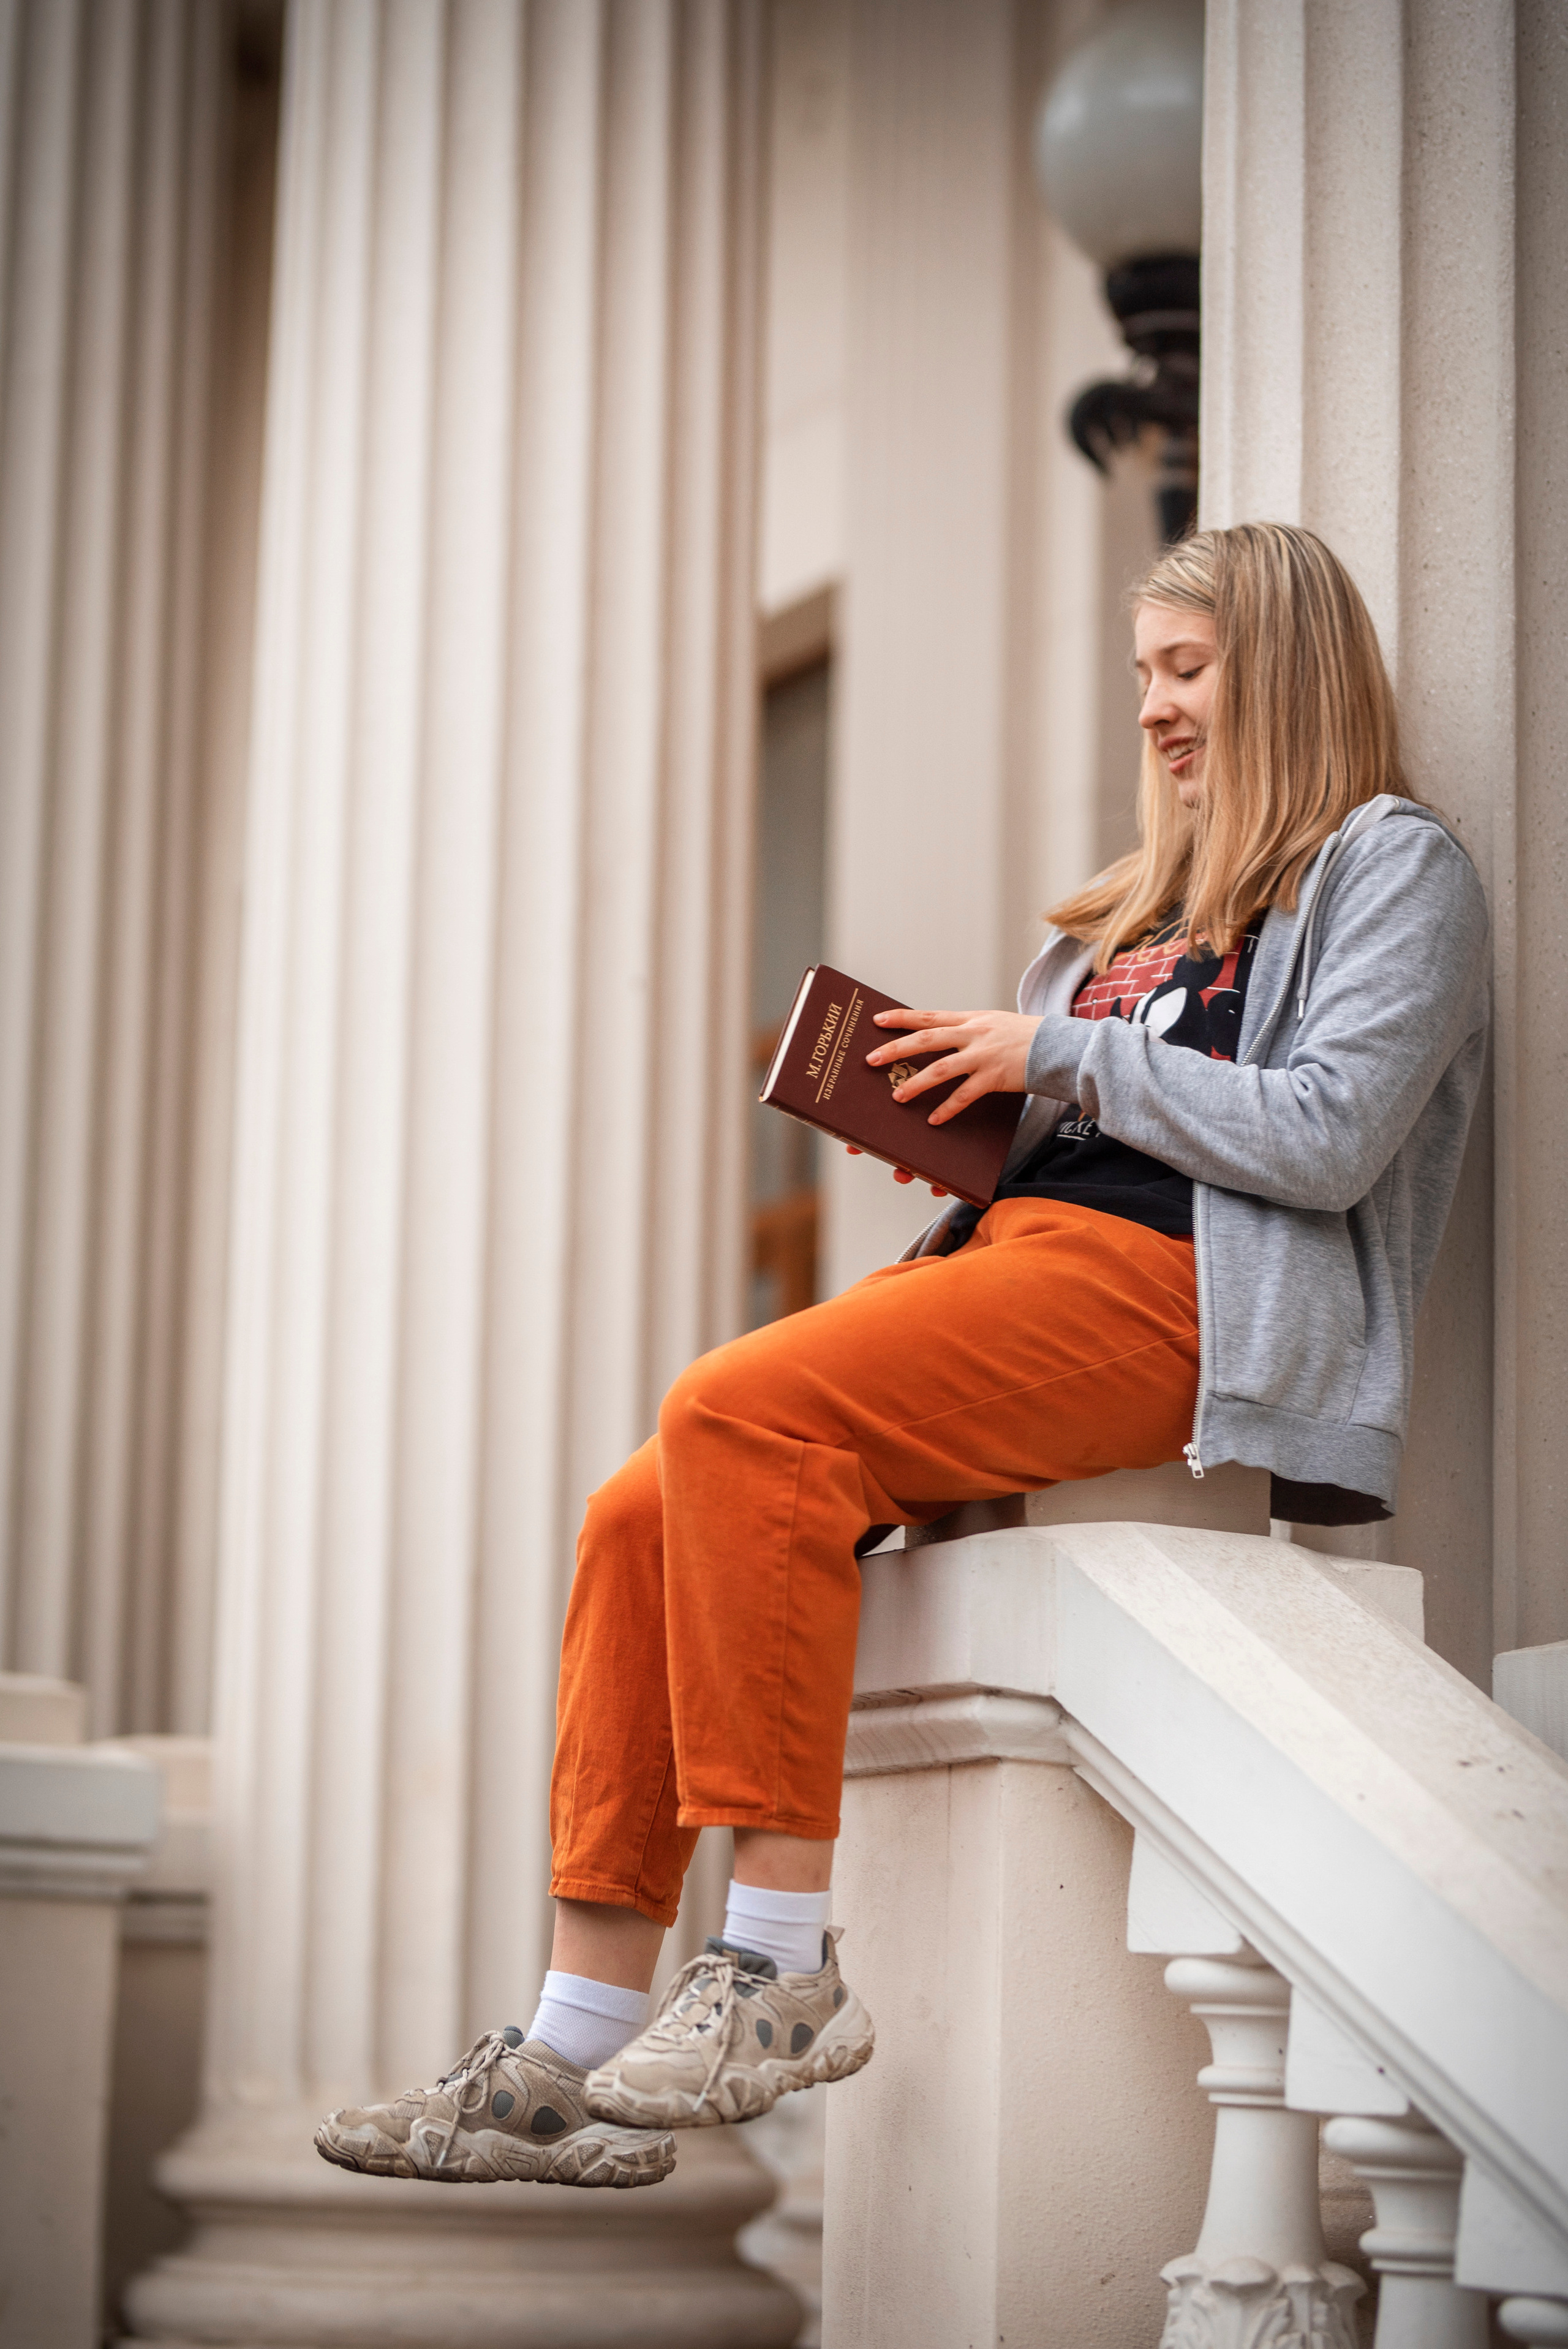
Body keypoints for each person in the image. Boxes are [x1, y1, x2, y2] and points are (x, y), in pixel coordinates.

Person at [315, 521, 1490, 2189]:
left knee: (739, 1405)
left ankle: (780, 1955)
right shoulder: (1135, 907)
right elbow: (1075, 1128)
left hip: (1190, 1296)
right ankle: (570, 2039)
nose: (1153, 707)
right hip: (1029, 1260)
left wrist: (1061, 1050)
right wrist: (971, 1118)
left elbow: (1333, 1133)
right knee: (639, 1510)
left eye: (1186, 667)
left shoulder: (1393, 864)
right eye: (1142, 673)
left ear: (1283, 665)